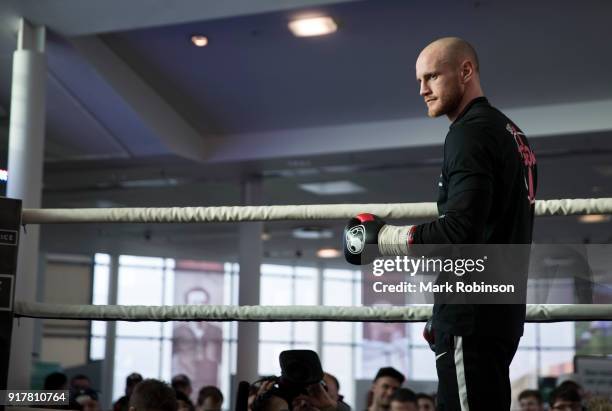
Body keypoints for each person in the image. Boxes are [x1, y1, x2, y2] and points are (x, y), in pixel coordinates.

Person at [343, 36, 537, 410]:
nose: (422, 89)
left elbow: (460, 228)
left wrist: (382, 237)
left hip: (472, 313)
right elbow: (488, 229)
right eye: (419, 80)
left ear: (465, 71)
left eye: (432, 76)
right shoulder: (512, 133)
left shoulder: (469, 133)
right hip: (498, 309)